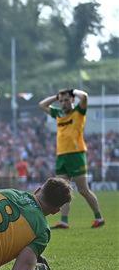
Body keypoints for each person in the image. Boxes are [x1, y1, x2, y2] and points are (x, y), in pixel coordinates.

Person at [38, 89, 104, 229]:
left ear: (73, 100)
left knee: (83, 190)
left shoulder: (79, 112)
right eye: (61, 101)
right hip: (61, 156)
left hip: (76, 155)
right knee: (62, 190)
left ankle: (99, 217)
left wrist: (73, 91)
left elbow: (84, 96)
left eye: (66, 100)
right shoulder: (58, 113)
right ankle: (64, 221)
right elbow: (42, 105)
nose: (63, 103)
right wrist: (56, 96)